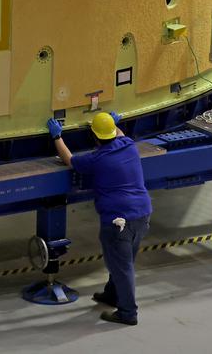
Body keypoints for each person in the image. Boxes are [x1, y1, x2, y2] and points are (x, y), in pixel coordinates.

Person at [48, 111, 151, 326]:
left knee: (122, 266)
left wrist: (57, 136)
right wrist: (112, 122)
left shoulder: (97, 160)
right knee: (123, 261)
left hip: (118, 222)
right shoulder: (129, 145)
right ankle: (112, 295)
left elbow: (70, 160)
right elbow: (119, 133)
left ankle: (128, 313)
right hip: (142, 214)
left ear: (94, 137)